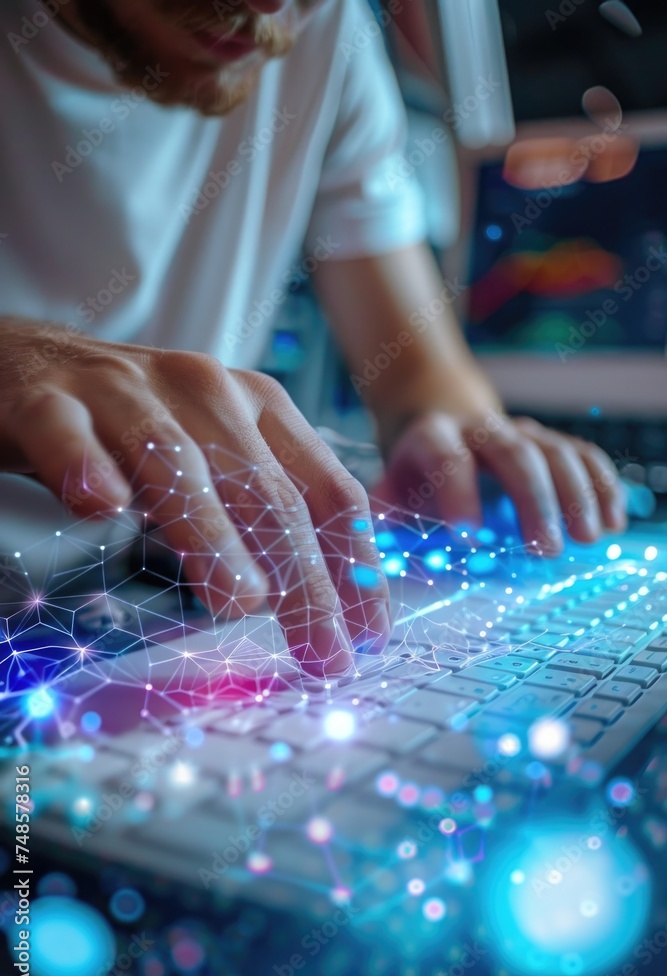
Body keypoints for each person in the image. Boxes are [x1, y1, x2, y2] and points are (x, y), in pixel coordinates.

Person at [0, 0, 626, 675]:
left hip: (84, 601)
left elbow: (417, 369)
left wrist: (454, 435)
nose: (273, 8)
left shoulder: (326, 27)